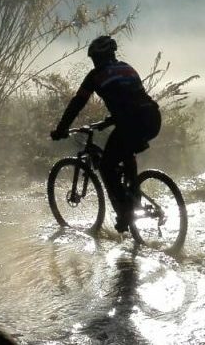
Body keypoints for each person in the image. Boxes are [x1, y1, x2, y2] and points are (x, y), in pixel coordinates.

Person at [50, 35, 162, 233]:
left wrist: (61, 129)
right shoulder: (127, 68)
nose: (94, 62)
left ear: (98, 58)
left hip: (131, 123)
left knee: (106, 166)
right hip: (152, 118)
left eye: (94, 58)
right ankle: (133, 193)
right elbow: (133, 101)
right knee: (126, 149)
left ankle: (126, 212)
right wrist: (109, 121)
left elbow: (77, 103)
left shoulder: (96, 75)